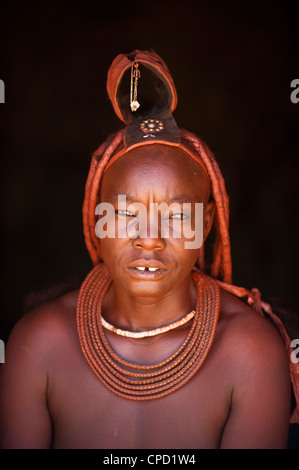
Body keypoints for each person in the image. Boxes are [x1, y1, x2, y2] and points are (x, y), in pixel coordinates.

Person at [0, 50, 298, 449]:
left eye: (176, 215)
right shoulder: (38, 346)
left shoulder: (249, 352)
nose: (150, 237)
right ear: (97, 219)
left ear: (205, 225)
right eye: (125, 212)